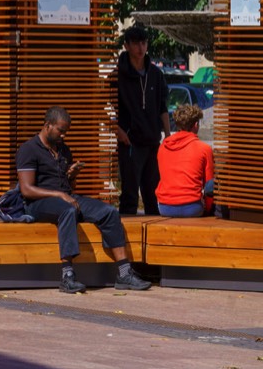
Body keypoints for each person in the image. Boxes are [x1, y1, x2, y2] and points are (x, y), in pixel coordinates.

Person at [17, 106, 151, 293]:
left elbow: (70, 189)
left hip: (64, 198)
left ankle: (124, 272)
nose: (63, 135)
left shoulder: (63, 150)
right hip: (38, 203)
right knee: (67, 210)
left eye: (66, 132)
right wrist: (60, 195)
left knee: (109, 212)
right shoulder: (28, 149)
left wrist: (72, 176)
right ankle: (67, 276)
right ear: (47, 125)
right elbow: (26, 190)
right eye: (60, 131)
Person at [114, 25, 170, 215]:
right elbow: (97, 105)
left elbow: (163, 107)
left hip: (153, 141)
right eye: (136, 43)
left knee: (152, 193)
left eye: (144, 43)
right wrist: (117, 130)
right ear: (127, 46)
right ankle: (125, 237)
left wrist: (168, 137)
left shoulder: (155, 74)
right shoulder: (117, 75)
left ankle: (153, 236)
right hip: (130, 142)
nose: (141, 47)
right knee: (130, 194)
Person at [156, 103, 215, 217]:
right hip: (192, 207)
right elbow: (209, 188)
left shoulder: (163, 147)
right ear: (196, 125)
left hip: (164, 207)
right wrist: (209, 210)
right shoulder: (204, 149)